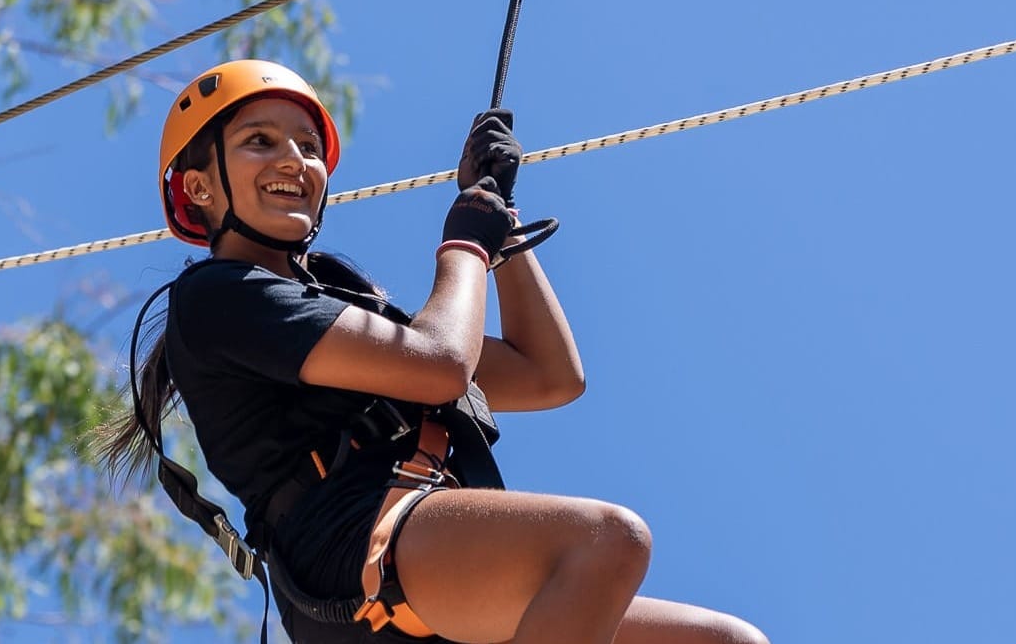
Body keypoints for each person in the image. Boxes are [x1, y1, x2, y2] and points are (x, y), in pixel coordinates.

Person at [98, 59, 769, 644]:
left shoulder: (335, 303)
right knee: (603, 543)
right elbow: (442, 364)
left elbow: (549, 375)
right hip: (351, 547)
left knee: (730, 640)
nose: (293, 162)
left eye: (307, 145)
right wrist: (465, 244)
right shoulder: (218, 297)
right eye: (258, 142)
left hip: (422, 555)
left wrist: (494, 225)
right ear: (199, 187)